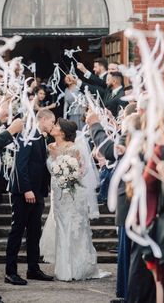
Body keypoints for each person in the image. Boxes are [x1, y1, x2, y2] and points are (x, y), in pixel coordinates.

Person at [40, 118, 110, 281]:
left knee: (76, 227)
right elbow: (50, 168)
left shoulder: (74, 148)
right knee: (61, 227)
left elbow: (84, 170)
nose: (53, 126)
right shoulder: (50, 147)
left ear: (63, 132)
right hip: (57, 193)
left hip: (73, 193)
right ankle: (64, 268)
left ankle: (78, 267)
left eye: (56, 125)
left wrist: (70, 177)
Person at [5, 109, 55, 285]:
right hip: (23, 192)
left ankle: (33, 269)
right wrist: (26, 189)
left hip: (37, 192)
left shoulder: (40, 137)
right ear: (43, 119)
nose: (52, 125)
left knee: (35, 232)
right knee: (17, 231)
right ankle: (10, 272)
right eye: (51, 122)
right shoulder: (27, 134)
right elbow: (20, 164)